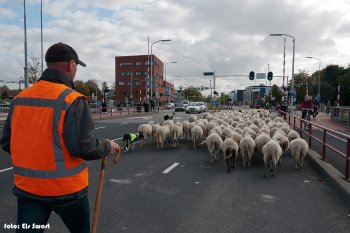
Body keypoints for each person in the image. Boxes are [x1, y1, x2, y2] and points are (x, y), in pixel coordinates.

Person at [0, 42, 120, 233]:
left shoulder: (20, 99)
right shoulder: (72, 99)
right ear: (70, 65)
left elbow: (7, 142)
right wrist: (107, 146)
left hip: (29, 190)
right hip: (67, 192)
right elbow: (82, 147)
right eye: (76, 67)